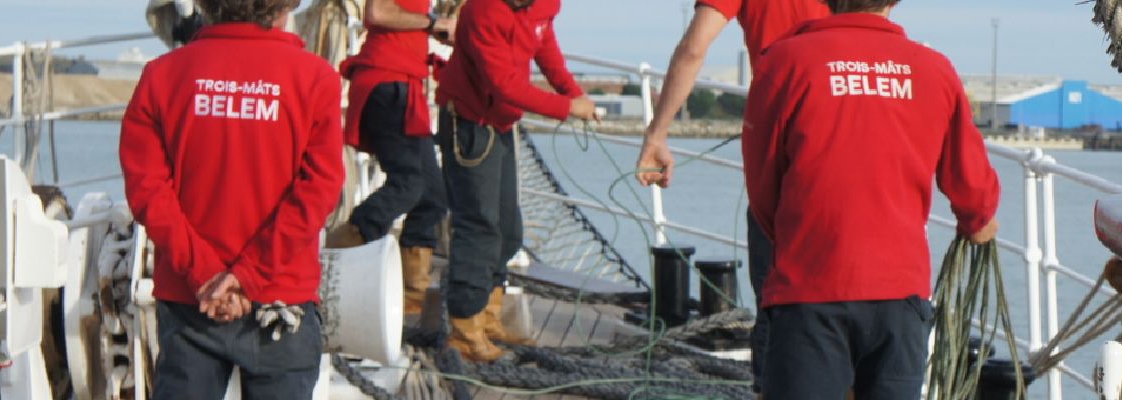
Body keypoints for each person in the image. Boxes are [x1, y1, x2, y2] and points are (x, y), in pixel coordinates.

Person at [741, 0, 1001, 398]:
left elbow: (761, 182)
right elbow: (972, 183)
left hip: (809, 289)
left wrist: (793, 237)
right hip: (899, 293)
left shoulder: (784, 61)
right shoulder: (933, 69)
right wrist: (977, 220)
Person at [120, 0, 347, 398]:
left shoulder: (162, 76)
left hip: (192, 302)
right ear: (287, 5)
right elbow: (320, 189)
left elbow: (147, 190)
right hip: (281, 298)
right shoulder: (316, 79)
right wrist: (247, 277)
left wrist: (206, 273)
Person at [627, 0, 829, 384]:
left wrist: (657, 133)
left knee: (777, 291)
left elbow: (694, 48)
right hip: (848, 132)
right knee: (851, 296)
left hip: (778, 135)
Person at [434, 0, 601, 362]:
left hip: (500, 123)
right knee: (478, 225)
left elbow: (544, 46)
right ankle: (464, 329)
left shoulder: (542, 5)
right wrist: (566, 108)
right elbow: (504, 84)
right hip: (470, 122)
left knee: (508, 229)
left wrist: (571, 91)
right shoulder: (484, 11)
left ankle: (486, 317)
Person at [328, 0, 456, 316]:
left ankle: (410, 298)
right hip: (387, 83)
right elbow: (379, 14)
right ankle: (335, 257)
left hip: (404, 84)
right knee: (409, 183)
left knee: (433, 197)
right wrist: (432, 23)